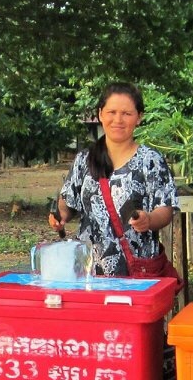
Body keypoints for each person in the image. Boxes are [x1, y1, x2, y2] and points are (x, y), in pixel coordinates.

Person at [49, 82, 179, 278]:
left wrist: (149, 220)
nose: (118, 119)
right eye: (111, 112)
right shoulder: (84, 160)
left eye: (126, 113)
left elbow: (166, 209)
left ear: (139, 117)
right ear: (101, 114)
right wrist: (60, 216)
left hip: (136, 272)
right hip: (88, 272)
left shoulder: (150, 160)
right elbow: (68, 203)